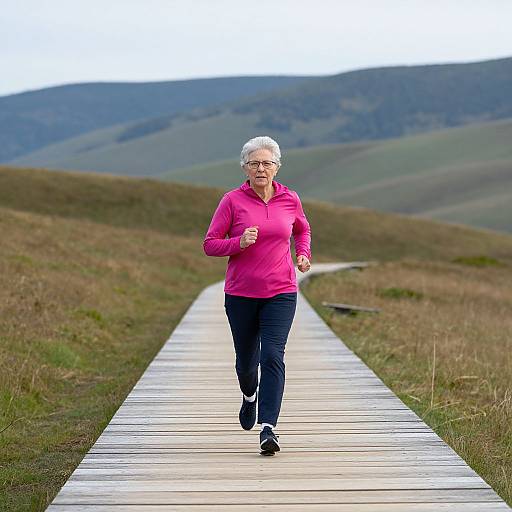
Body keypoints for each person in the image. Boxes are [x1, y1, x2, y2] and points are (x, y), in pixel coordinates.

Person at [203, 135, 312, 455]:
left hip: (281, 291)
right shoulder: (232, 201)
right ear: (245, 168)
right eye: (254, 163)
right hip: (241, 294)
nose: (260, 168)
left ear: (277, 167)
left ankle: (269, 428)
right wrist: (238, 243)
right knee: (247, 364)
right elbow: (210, 244)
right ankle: (249, 396)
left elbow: (302, 229)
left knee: (273, 355)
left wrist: (302, 253)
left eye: (266, 163)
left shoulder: (290, 199)